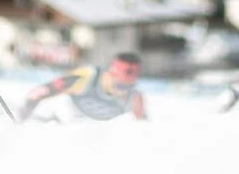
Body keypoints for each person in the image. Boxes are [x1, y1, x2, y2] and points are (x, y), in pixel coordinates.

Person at [16, 52, 148, 122]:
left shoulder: (135, 96)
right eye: (120, 85)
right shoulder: (88, 77)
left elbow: (142, 128)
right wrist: (20, 120)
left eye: (129, 85)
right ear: (111, 72)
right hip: (63, 133)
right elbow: (39, 92)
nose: (123, 91)